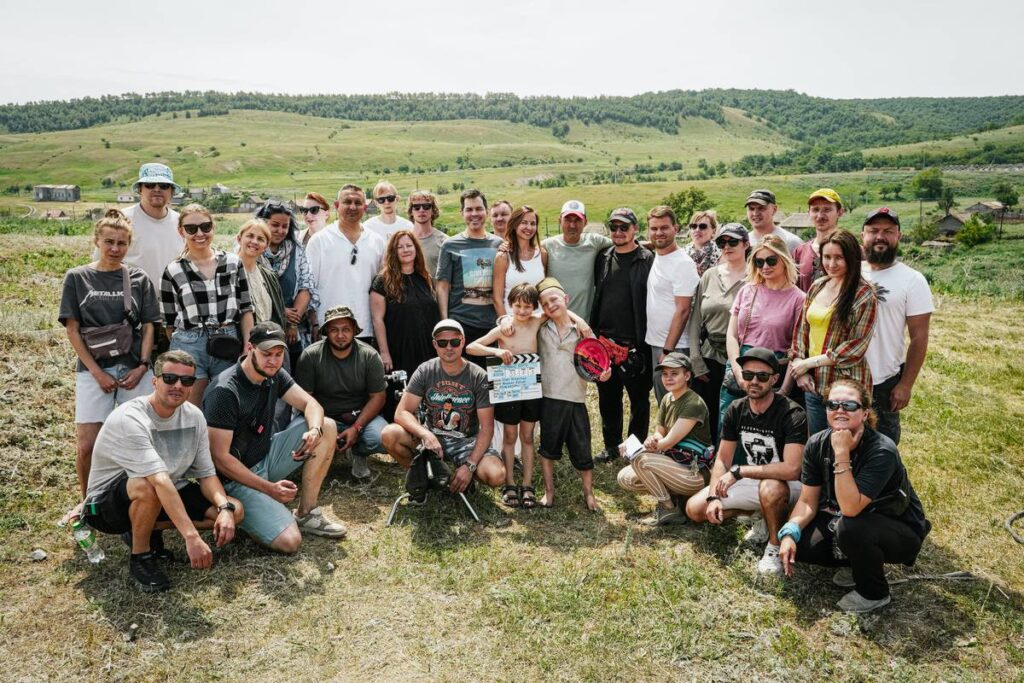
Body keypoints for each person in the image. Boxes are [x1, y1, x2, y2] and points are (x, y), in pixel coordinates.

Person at [81, 350, 244, 592]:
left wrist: (224, 508)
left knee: (235, 510)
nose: (178, 385)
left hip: (166, 489)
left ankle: (144, 527)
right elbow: (158, 480)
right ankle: (141, 556)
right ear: (154, 381)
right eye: (169, 378)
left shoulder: (194, 416)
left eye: (187, 381)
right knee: (147, 486)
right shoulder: (132, 417)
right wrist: (190, 536)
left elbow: (206, 474)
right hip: (109, 503)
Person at [778, 379, 931, 613]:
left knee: (851, 528)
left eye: (849, 406)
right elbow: (808, 500)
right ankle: (855, 562)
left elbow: (850, 508)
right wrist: (790, 532)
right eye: (832, 405)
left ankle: (874, 593)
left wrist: (841, 452)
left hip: (898, 529)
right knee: (803, 543)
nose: (840, 410)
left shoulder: (882, 450)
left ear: (865, 412)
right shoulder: (816, 443)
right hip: (850, 520)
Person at [205, 322, 346, 553]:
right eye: (266, 354)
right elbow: (220, 459)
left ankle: (306, 512)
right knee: (290, 542)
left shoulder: (274, 373)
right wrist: (269, 489)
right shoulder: (225, 391)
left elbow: (312, 404)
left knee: (327, 426)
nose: (273, 360)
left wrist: (314, 431)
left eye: (279, 354)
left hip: (265, 457)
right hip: (233, 479)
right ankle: (240, 511)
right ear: (249, 348)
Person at [61, 209, 161, 497]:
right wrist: (97, 373)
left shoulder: (138, 279)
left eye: (122, 243)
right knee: (87, 445)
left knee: (144, 439)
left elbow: (148, 326)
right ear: (97, 241)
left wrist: (143, 366)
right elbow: (72, 330)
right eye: (109, 242)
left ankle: (142, 497)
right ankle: (88, 501)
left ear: (129, 244)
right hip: (93, 371)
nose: (115, 249)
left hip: (133, 369)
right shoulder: (77, 277)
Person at [685, 348, 807, 576]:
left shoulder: (793, 413)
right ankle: (760, 514)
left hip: (790, 488)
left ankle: (773, 545)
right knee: (696, 509)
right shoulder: (736, 409)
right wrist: (713, 496)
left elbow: (791, 469)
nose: (754, 381)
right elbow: (723, 457)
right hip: (753, 480)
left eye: (762, 376)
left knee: (770, 487)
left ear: (775, 379)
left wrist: (739, 471)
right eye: (748, 374)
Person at [380, 320, 505, 503]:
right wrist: (425, 434)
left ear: (462, 342)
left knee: (496, 475)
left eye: (454, 342)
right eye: (442, 343)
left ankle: (460, 478)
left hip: (465, 441)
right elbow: (402, 412)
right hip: (432, 439)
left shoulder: (478, 376)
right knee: (389, 434)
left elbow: (487, 428)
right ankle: (425, 477)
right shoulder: (425, 370)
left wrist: (469, 466)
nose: (449, 347)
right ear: (434, 345)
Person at [160, 205, 254, 407]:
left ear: (213, 227)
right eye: (191, 229)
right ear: (181, 231)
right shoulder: (173, 270)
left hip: (227, 339)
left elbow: (246, 308)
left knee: (224, 406)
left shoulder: (232, 263)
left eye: (205, 226)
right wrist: (190, 341)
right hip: (189, 342)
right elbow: (168, 322)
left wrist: (247, 345)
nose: (199, 234)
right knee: (191, 409)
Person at [790, 230, 878, 435]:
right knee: (818, 442)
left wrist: (809, 363)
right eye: (827, 257)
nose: (831, 263)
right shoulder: (818, 286)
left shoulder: (864, 294)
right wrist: (798, 366)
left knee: (846, 444)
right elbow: (801, 330)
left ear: (852, 258)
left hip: (845, 387)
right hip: (814, 384)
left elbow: (856, 346)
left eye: (839, 257)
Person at [467, 284, 544, 508]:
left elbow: (559, 312)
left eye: (527, 306)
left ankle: (527, 484)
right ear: (510, 306)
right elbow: (472, 347)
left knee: (528, 437)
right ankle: (509, 483)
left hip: (530, 387)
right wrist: (496, 350)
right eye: (517, 306)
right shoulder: (505, 328)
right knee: (510, 436)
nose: (522, 311)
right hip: (509, 388)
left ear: (534, 307)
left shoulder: (537, 321)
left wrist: (583, 324)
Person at [860, 208, 933, 444]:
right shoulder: (850, 271)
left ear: (898, 236)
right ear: (863, 235)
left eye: (888, 231)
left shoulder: (912, 280)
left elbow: (919, 337)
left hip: (883, 381)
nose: (880, 236)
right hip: (844, 377)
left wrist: (905, 384)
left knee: (883, 449)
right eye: (874, 231)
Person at [617, 352, 714, 526]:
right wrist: (649, 441)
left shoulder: (693, 403)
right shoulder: (667, 398)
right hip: (673, 464)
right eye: (665, 374)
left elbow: (667, 442)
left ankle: (669, 509)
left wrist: (639, 449)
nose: (668, 378)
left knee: (641, 459)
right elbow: (659, 434)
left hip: (694, 473)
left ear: (687, 375)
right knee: (624, 478)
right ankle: (676, 500)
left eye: (674, 374)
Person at [534, 279, 606, 510]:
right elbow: (522, 318)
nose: (550, 305)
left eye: (554, 299)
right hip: (549, 397)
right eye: (545, 304)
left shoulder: (583, 332)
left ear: (566, 299)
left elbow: (600, 364)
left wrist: (604, 374)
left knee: (582, 449)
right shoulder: (541, 329)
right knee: (548, 447)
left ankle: (588, 492)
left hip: (576, 398)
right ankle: (549, 491)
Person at [590, 207, 654, 462]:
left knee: (639, 400)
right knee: (608, 399)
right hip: (605, 341)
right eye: (613, 227)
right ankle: (612, 446)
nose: (618, 232)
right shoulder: (603, 257)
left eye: (624, 227)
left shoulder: (647, 259)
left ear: (634, 229)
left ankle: (634, 448)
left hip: (636, 343)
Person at [295, 306, 387, 481]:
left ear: (354, 331)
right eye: (334, 330)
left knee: (382, 437)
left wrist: (356, 428)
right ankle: (320, 458)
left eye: (346, 329)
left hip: (359, 417)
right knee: (296, 436)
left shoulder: (369, 356)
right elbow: (304, 399)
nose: (340, 335)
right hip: (322, 417)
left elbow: (378, 397)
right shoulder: (310, 356)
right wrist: (323, 427)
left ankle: (358, 453)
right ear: (326, 332)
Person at [721, 234, 805, 424]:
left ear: (784, 260)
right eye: (759, 262)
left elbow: (797, 347)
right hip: (741, 363)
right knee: (729, 425)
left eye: (771, 260)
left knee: (764, 431)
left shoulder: (799, 298)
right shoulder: (747, 290)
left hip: (772, 369)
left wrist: (784, 390)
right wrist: (736, 369)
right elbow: (732, 335)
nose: (765, 266)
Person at [687, 223, 750, 444]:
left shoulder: (756, 277)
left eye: (733, 242)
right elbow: (694, 320)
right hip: (709, 355)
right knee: (707, 413)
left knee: (736, 416)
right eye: (722, 242)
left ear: (746, 244)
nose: (727, 246)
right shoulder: (709, 276)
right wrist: (695, 359)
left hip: (742, 356)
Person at [306, 184, 386, 343]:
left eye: (357, 203)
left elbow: (382, 289)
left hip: (366, 328)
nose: (352, 206)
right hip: (328, 327)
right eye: (347, 201)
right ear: (336, 205)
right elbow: (309, 287)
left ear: (364, 207)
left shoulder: (377, 242)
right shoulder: (319, 241)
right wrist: (314, 322)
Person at [435, 189, 504, 348]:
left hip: (492, 325)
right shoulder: (450, 245)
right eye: (469, 209)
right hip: (461, 323)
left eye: (479, 209)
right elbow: (443, 286)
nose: (474, 214)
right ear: (462, 213)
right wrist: (446, 321)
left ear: (486, 212)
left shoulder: (499, 244)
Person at [645, 205, 699, 402]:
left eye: (664, 228)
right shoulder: (659, 255)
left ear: (676, 229)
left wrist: (668, 351)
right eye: (654, 228)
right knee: (665, 405)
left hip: (674, 347)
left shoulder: (682, 263)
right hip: (657, 343)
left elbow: (683, 310)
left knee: (677, 406)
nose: (659, 232)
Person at [370, 230, 441, 377]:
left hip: (427, 347)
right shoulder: (382, 280)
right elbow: (377, 320)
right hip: (399, 348)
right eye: (400, 247)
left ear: (416, 248)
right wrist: (384, 353)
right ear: (393, 251)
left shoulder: (424, 277)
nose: (405, 250)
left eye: (409, 245)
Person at [256, 201, 319, 361]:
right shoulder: (251, 250)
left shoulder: (297, 251)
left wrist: (292, 323)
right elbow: (250, 292)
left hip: (294, 331)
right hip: (262, 327)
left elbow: (306, 286)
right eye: (275, 225)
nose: (280, 230)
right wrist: (281, 312)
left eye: (285, 226)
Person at [542, 199, 612, 318]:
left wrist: (652, 244)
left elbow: (623, 243)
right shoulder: (547, 246)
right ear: (560, 221)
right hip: (553, 323)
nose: (572, 225)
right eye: (567, 220)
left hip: (584, 324)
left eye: (577, 220)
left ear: (585, 222)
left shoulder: (594, 242)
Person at [119, 162, 184, 288]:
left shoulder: (182, 222)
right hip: (134, 302)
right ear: (140, 190)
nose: (157, 189)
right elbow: (102, 263)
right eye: (150, 185)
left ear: (171, 192)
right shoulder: (122, 219)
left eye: (164, 186)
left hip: (173, 302)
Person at [492, 205, 547, 317]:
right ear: (514, 225)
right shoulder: (503, 257)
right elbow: (497, 299)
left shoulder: (542, 254)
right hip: (513, 323)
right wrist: (505, 322)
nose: (529, 227)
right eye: (524, 222)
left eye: (533, 223)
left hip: (538, 322)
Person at [235, 219, 287, 330]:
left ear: (266, 246)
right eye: (250, 236)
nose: (254, 242)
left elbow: (279, 314)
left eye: (260, 239)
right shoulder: (227, 272)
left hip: (267, 342)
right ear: (239, 239)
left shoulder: (269, 276)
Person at [793, 188, 844, 292]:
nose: (820, 216)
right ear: (809, 213)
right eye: (815, 210)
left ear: (840, 212)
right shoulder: (799, 253)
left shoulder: (853, 250)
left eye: (827, 210)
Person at [745, 189, 802, 254]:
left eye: (761, 208)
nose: (755, 213)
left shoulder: (791, 242)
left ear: (774, 209)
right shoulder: (742, 243)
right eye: (751, 209)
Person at [406, 190, 448, 276]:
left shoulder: (445, 241)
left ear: (433, 210)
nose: (421, 210)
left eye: (426, 206)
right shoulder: (403, 241)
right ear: (411, 211)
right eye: (416, 207)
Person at [684, 210, 721, 276]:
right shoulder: (683, 253)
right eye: (693, 226)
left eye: (703, 226)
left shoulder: (721, 254)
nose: (697, 230)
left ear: (713, 231)